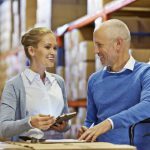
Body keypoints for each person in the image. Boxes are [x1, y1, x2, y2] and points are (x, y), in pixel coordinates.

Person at [78, 19, 150, 150]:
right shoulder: (94, 80)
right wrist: (87, 130)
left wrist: (109, 123)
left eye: (99, 45)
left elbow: (148, 105)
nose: (95, 51)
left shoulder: (145, 73)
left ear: (118, 44)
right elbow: (90, 120)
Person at [0, 27, 69, 141]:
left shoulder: (59, 82)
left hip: (57, 146)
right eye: (47, 47)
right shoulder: (14, 85)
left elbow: (66, 124)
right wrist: (30, 122)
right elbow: (4, 128)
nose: (53, 52)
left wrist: (63, 126)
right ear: (32, 51)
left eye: (55, 48)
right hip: (28, 147)